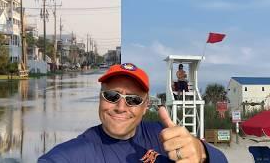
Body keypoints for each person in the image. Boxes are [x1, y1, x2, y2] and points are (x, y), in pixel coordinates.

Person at [38, 63, 227, 163]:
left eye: (133, 100)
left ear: (145, 106)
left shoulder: (161, 134)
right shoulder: (78, 152)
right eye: (112, 96)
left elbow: (221, 160)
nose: (121, 107)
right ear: (100, 98)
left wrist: (202, 153)